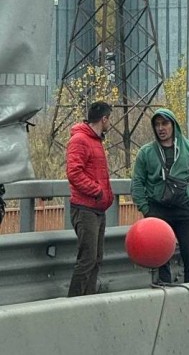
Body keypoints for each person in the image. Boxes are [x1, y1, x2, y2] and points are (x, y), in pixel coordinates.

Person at [131, 108, 189, 283]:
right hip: (157, 209)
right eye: (157, 124)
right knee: (160, 256)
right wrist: (146, 209)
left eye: (165, 123)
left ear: (173, 125)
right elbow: (137, 182)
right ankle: (164, 290)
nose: (161, 128)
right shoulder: (146, 152)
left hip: (186, 207)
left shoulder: (188, 149)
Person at [66, 101, 114, 297]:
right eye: (109, 119)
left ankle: (88, 300)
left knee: (95, 258)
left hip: (97, 208)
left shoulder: (95, 140)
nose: (109, 123)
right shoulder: (80, 140)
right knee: (87, 258)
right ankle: (75, 301)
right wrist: (97, 191)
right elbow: (74, 173)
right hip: (85, 208)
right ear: (104, 119)